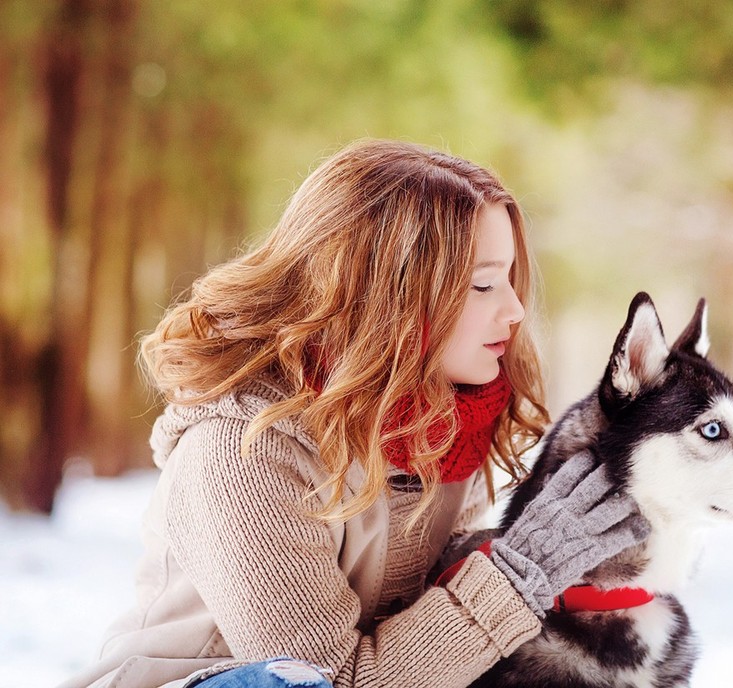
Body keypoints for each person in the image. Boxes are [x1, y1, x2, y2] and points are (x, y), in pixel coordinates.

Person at [60, 139, 650, 688]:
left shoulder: (446, 421)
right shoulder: (242, 449)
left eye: (512, 282)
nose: (516, 310)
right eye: (482, 286)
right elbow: (332, 680)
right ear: (387, 296)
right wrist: (518, 574)